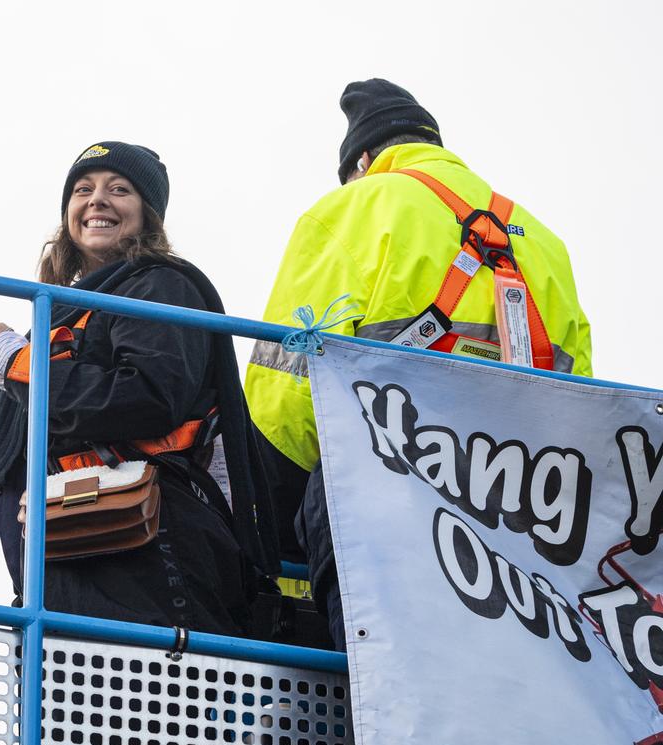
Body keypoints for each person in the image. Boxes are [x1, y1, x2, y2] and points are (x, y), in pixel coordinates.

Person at [244, 79, 594, 648]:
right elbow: (582, 398)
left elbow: (285, 395)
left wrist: (275, 520)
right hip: (527, 522)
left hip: (382, 490)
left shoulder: (352, 207)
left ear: (363, 159)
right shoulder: (546, 243)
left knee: (393, 704)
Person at [0, 141, 279, 637]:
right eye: (83, 189)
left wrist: (20, 362)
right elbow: (50, 453)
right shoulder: (55, 314)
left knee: (158, 710)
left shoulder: (160, 289)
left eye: (119, 190)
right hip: (63, 571)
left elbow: (146, 399)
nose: (97, 200)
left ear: (148, 215)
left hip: (147, 562)